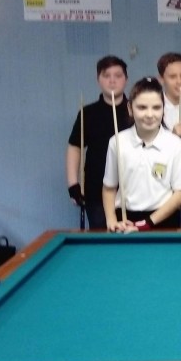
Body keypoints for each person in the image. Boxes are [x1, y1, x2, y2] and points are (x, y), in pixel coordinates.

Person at [102, 78, 181, 232]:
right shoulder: (117, 142)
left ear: (163, 109)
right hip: (125, 219)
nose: (149, 114)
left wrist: (147, 223)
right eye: (142, 107)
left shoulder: (175, 144)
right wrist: (111, 220)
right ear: (130, 108)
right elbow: (109, 188)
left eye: (156, 107)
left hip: (164, 220)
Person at [66, 55, 130, 230]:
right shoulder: (88, 113)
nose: (112, 80)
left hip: (132, 188)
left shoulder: (135, 110)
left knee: (132, 236)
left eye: (118, 75)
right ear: (98, 79)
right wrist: (73, 185)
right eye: (106, 75)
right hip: (96, 188)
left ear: (126, 79)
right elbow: (75, 147)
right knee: (103, 235)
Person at [157, 52, 181, 142]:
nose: (179, 81)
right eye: (172, 77)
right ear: (161, 79)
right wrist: (173, 136)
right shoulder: (154, 109)